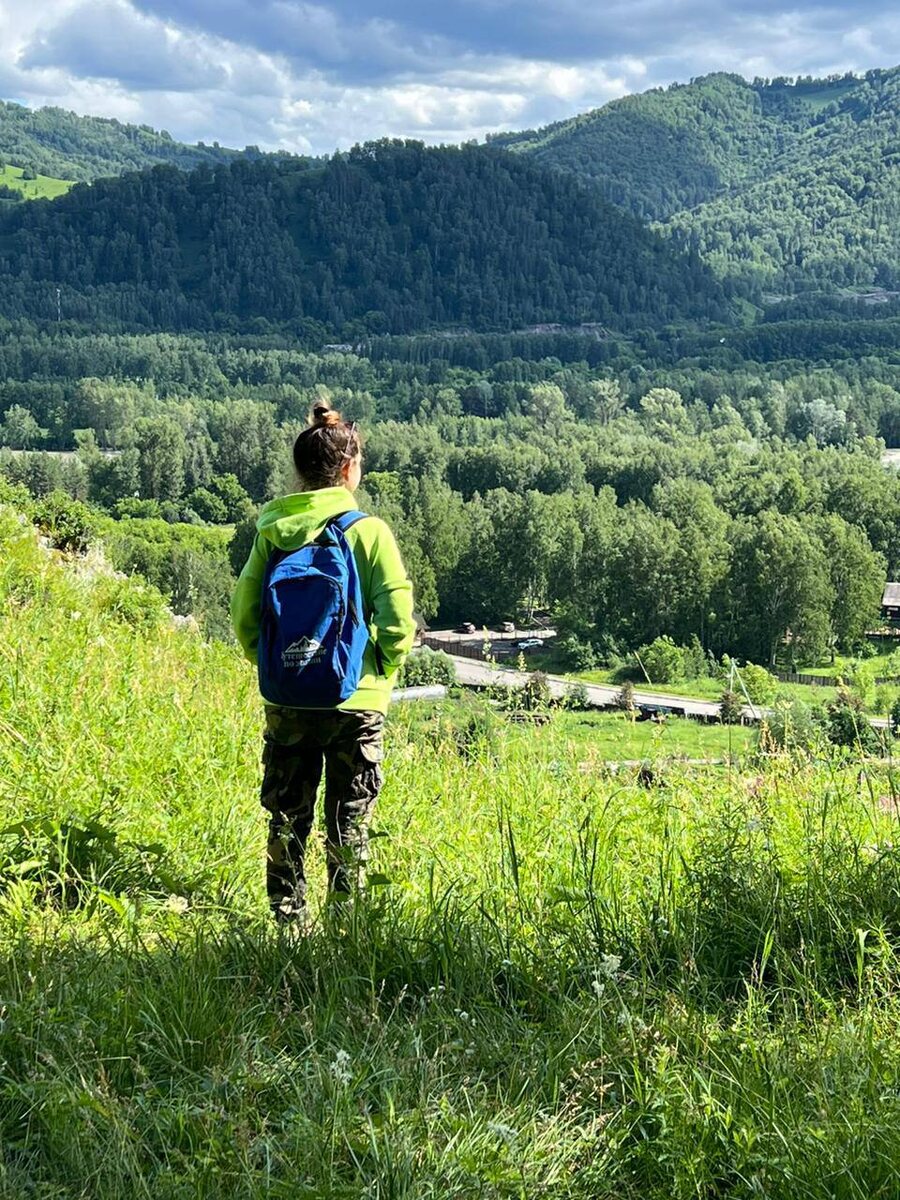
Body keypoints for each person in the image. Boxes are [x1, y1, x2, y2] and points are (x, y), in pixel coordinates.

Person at [231, 402, 416, 923]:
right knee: (349, 822)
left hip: (288, 698)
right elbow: (397, 618)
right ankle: (344, 929)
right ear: (349, 469)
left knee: (287, 818)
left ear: (299, 470)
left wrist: (278, 664)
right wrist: (379, 669)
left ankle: (288, 923)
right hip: (356, 700)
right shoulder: (368, 532)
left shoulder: (272, 531)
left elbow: (244, 615)